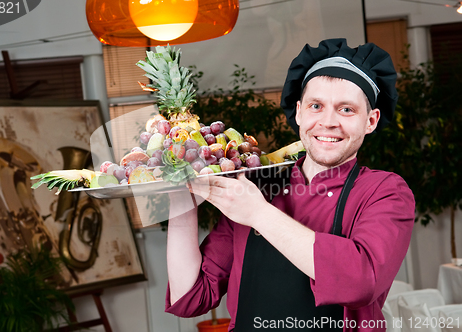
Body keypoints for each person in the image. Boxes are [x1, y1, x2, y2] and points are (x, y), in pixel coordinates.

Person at [165, 38, 415, 332]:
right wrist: (180, 198)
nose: (328, 121)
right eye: (316, 106)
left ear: (371, 121)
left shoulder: (384, 191)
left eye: (346, 110)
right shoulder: (257, 186)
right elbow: (191, 296)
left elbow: (360, 282)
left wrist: (258, 213)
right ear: (298, 112)